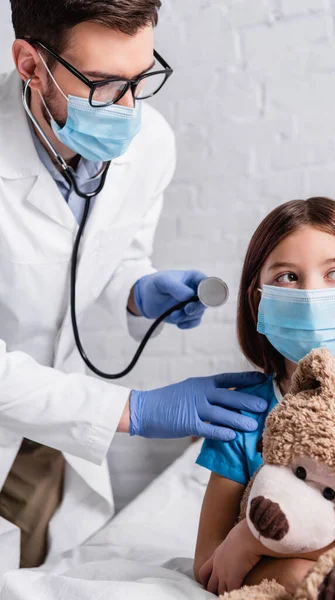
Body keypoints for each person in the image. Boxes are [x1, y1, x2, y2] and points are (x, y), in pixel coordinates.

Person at [0, 0, 268, 572]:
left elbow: (113, 255)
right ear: (29, 63)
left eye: (139, 79)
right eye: (101, 84)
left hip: (51, 427)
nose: (126, 108)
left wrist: (139, 290)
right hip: (27, 398)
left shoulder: (149, 143)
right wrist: (136, 410)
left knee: (32, 567)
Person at [194, 197, 335, 596]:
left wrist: (255, 542)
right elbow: (210, 563)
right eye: (287, 277)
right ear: (258, 302)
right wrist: (303, 579)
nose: (311, 295)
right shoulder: (240, 414)